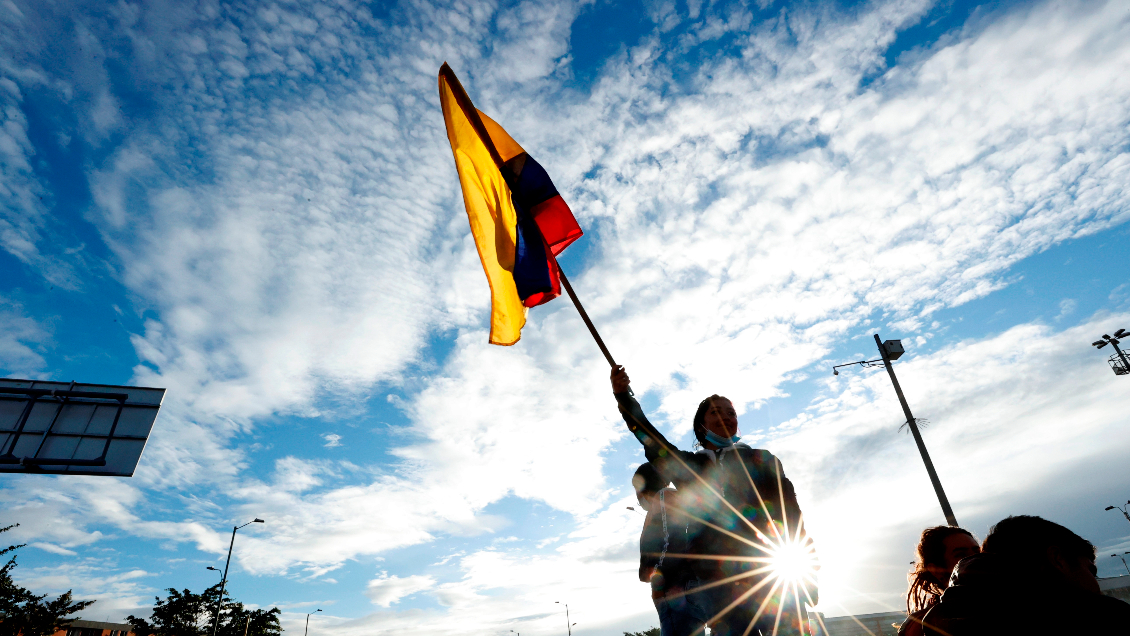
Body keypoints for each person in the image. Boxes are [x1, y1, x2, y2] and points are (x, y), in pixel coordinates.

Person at [612, 366, 817, 636]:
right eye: (715, 412)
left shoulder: (762, 459)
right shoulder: (691, 468)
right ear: (701, 426)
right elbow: (650, 438)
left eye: (731, 412)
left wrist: (808, 574)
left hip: (774, 577)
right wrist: (623, 396)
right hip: (719, 586)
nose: (725, 417)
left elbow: (791, 517)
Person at [920, 515, 1130, 636]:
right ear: (1057, 558)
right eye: (1091, 571)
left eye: (977, 552)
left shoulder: (935, 626)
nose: (1095, 583)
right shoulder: (1097, 616)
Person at [634, 463, 708, 636]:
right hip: (683, 588)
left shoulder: (664, 497)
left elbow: (673, 539)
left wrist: (658, 582)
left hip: (675, 590)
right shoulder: (668, 500)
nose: (636, 495)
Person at [897, 526, 980, 636]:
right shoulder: (922, 627)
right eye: (960, 555)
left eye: (977, 551)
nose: (975, 558)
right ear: (936, 570)